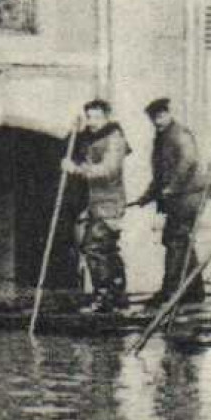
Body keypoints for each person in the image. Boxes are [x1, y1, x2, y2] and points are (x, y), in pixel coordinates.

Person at [130, 98, 207, 308]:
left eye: (161, 116)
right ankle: (194, 290)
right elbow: (160, 174)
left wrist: (171, 187)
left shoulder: (179, 134)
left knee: (176, 240)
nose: (157, 121)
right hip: (176, 197)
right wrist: (146, 196)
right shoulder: (161, 137)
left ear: (168, 114)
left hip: (188, 196)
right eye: (154, 118)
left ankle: (171, 291)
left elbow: (188, 161)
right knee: (181, 240)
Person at [62, 99, 131, 313]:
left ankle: (104, 297)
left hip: (109, 204)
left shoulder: (114, 138)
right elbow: (72, 145)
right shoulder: (95, 137)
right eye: (89, 117)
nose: (91, 122)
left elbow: (108, 170)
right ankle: (117, 293)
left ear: (107, 117)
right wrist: (74, 131)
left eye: (96, 117)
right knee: (106, 248)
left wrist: (76, 169)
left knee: (94, 247)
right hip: (97, 204)